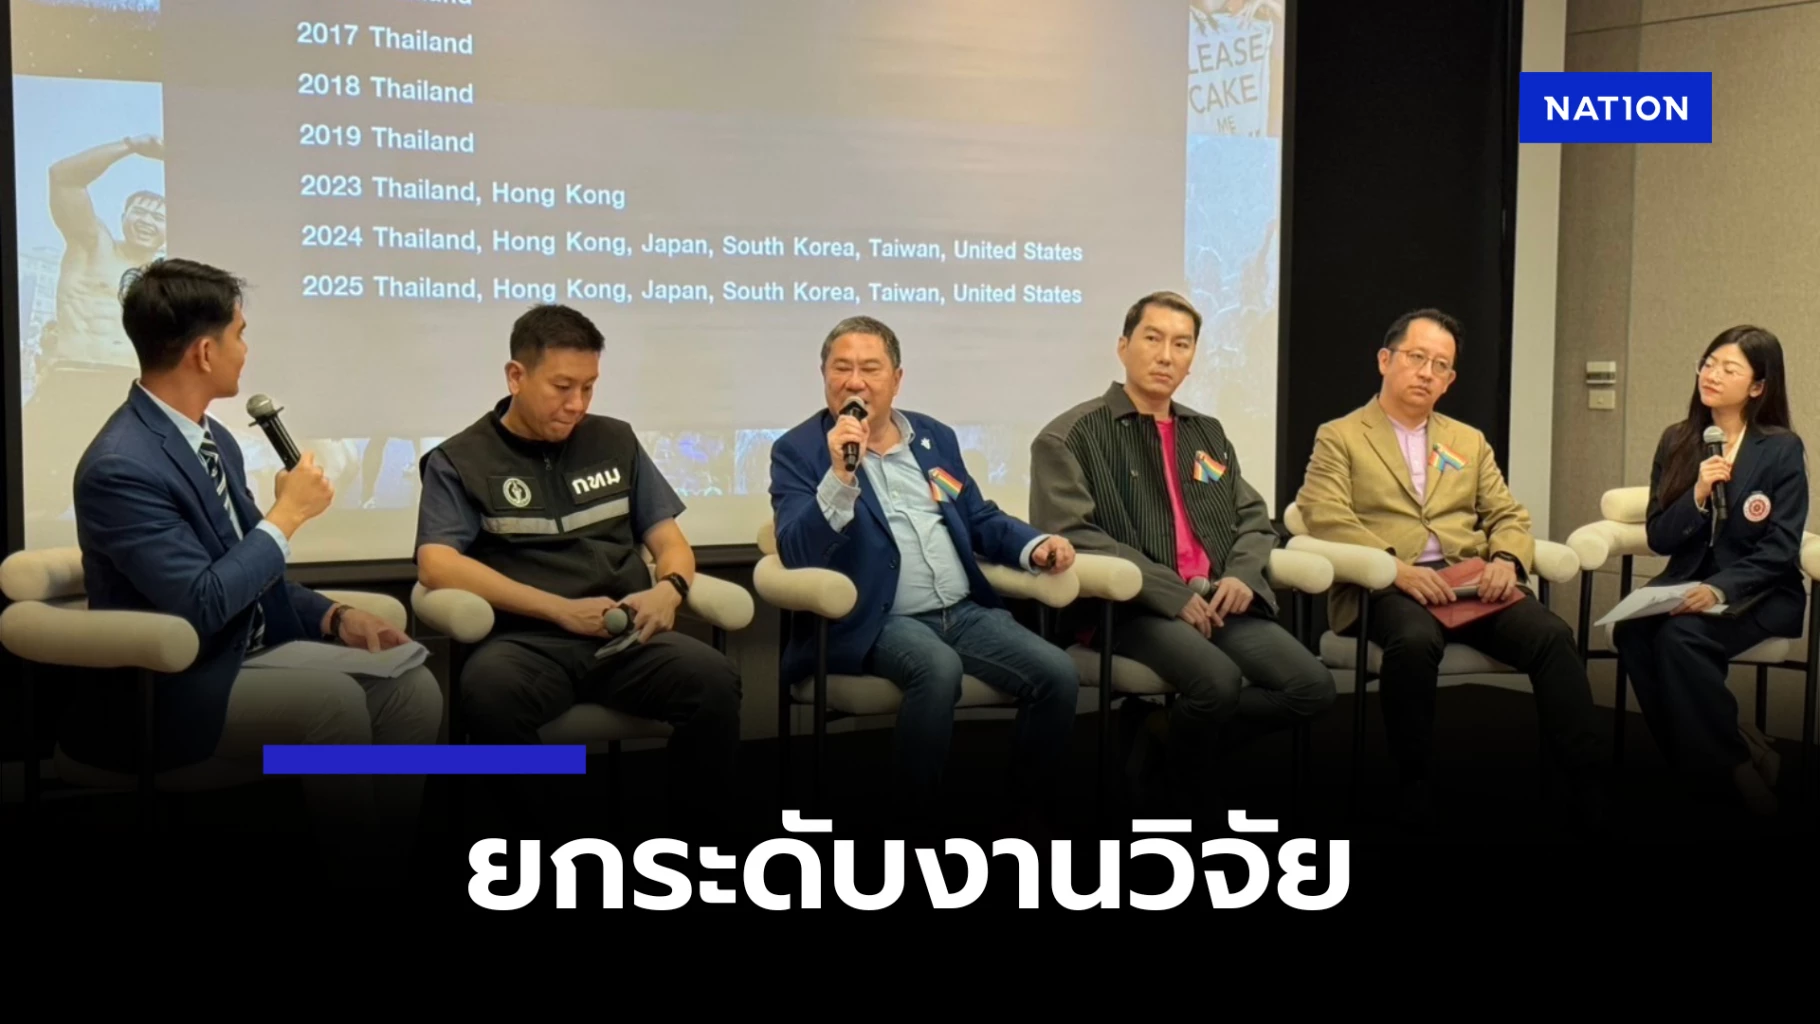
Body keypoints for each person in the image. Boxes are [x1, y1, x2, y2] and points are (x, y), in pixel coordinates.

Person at [71, 258, 442, 855]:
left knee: (413, 689)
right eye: (240, 334)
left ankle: (388, 860)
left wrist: (335, 617)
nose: (247, 350)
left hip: (249, 656)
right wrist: (287, 515)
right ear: (204, 352)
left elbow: (251, 571)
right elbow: (200, 603)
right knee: (333, 703)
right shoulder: (121, 465)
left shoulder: (213, 439)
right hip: (172, 689)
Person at [414, 303, 741, 836]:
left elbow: (670, 543)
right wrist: (561, 611)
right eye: (562, 387)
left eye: (589, 387)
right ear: (516, 377)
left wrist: (670, 589)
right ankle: (547, 854)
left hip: (623, 637)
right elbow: (436, 563)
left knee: (714, 680)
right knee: (489, 695)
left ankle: (697, 847)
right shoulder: (460, 459)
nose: (577, 404)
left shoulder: (616, 440)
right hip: (526, 642)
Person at [1295, 308, 1608, 830]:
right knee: (1416, 641)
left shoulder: (1467, 440)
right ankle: (1413, 782)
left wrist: (1506, 559)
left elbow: (1508, 514)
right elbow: (1322, 514)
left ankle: (1586, 781)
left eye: (1440, 365)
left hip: (1468, 582)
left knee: (1552, 636)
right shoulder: (1341, 435)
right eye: (1416, 357)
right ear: (1385, 360)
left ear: (1450, 380)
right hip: (1388, 586)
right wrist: (1395, 568)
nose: (1426, 372)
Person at [769, 315, 1080, 831]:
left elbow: (977, 517)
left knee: (1058, 674)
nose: (854, 381)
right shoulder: (798, 451)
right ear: (823, 375)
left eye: (870, 368)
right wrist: (840, 474)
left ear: (896, 379)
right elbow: (797, 551)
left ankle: (1025, 817)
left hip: (962, 611)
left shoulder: (933, 437)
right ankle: (912, 830)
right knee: (937, 669)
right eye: (841, 368)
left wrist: (1036, 545)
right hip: (878, 619)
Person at [1030, 291, 1334, 811]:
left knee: (1312, 688)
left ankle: (1160, 732)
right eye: (1153, 339)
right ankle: (1187, 799)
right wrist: (1170, 593)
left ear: (1192, 359)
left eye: (1181, 344)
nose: (1166, 355)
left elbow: (1253, 518)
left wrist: (1242, 575)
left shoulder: (1205, 432)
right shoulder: (1069, 436)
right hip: (1129, 608)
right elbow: (1072, 534)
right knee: (1217, 683)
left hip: (1216, 599)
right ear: (1123, 347)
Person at [1613, 326, 1805, 817]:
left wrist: (1719, 588)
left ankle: (1735, 770)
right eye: (1708, 363)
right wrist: (1698, 494)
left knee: (1681, 638)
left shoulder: (1781, 448)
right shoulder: (1677, 440)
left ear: (1757, 386)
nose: (1712, 375)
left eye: (1729, 368)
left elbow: (1781, 547)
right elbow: (1659, 536)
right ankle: (1730, 750)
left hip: (1761, 591)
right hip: (1685, 584)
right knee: (1632, 633)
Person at [30, 135, 167, 521]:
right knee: (41, 496)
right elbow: (63, 177)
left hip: (128, 389)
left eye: (158, 217)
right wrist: (131, 146)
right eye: (140, 212)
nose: (147, 221)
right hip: (72, 378)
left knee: (132, 502)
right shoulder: (92, 244)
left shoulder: (165, 277)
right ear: (123, 217)